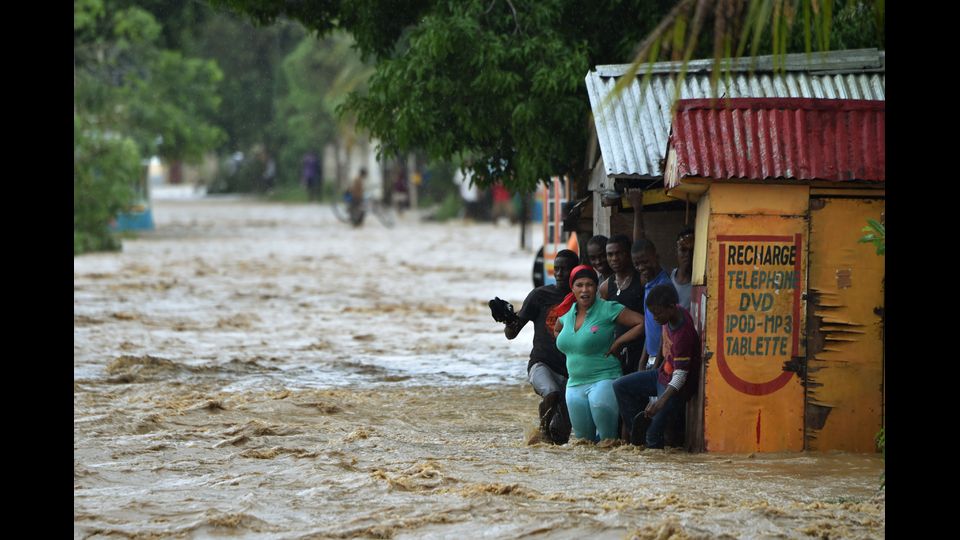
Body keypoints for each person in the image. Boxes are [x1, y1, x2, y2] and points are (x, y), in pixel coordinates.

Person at [552, 265, 646, 443]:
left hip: (604, 378)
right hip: (574, 384)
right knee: (582, 444)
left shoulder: (607, 308)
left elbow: (640, 323)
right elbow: (557, 330)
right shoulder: (566, 312)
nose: (585, 290)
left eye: (589, 285)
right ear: (572, 288)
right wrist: (572, 347)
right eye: (579, 285)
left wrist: (618, 342)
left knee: (607, 441)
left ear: (596, 288)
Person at [502, 249, 581, 444]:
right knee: (551, 393)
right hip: (542, 364)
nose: (560, 273)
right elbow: (512, 333)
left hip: (572, 372)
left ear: (574, 272)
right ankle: (541, 431)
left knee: (560, 438)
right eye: (556, 269)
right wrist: (508, 320)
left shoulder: (583, 298)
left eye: (565, 269)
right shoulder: (539, 295)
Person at [613, 284, 701, 448]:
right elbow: (664, 339)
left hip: (674, 389)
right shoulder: (670, 316)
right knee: (620, 386)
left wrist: (660, 402)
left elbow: (681, 376)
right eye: (652, 313)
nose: (655, 318)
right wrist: (655, 367)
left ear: (671, 307)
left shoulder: (683, 334)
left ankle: (653, 452)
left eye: (658, 313)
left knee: (653, 435)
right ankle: (637, 437)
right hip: (661, 374)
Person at [598, 234, 645, 375]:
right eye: (610, 254)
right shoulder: (605, 287)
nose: (614, 259)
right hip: (617, 353)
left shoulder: (642, 280)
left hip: (642, 348)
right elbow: (604, 323)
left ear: (628, 253)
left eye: (618, 253)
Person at [631, 238, 675, 371]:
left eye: (645, 262)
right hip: (652, 358)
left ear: (656, 257)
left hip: (662, 360)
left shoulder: (663, 286)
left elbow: (666, 328)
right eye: (637, 264)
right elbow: (650, 327)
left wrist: (657, 365)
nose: (641, 267)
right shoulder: (648, 284)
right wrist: (642, 361)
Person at [671, 227, 695, 311]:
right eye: (683, 250)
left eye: (692, 250)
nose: (688, 255)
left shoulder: (699, 283)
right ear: (676, 252)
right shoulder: (668, 279)